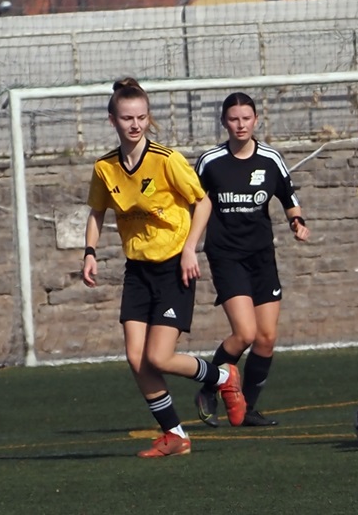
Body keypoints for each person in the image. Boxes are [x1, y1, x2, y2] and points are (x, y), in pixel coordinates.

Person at [82, 78, 244, 458]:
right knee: (136, 358)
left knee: (158, 357)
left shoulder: (166, 159)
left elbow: (203, 203)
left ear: (148, 117)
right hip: (137, 270)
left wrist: (190, 249)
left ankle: (223, 375)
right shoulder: (105, 167)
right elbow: (97, 211)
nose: (135, 124)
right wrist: (89, 252)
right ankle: (175, 435)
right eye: (127, 118)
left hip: (174, 267)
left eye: (141, 117)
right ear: (112, 120)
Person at [187, 92, 310, 428]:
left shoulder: (270, 158)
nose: (240, 125)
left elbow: (289, 197)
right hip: (226, 256)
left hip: (261, 257)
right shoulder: (211, 161)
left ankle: (248, 408)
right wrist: (188, 246)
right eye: (233, 119)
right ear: (224, 122)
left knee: (266, 337)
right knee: (244, 333)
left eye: (246, 118)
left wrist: (297, 222)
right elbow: (194, 204)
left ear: (256, 120)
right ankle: (208, 388)